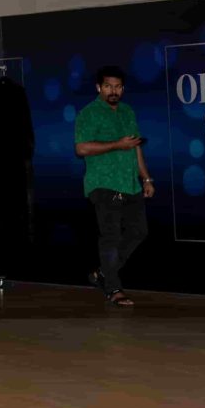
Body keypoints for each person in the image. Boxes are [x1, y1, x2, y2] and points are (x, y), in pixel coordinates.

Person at [75, 64, 154, 308]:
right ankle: (114, 288)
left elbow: (135, 146)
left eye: (117, 87)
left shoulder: (128, 111)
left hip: (130, 183)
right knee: (110, 236)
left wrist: (146, 179)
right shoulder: (88, 114)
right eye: (108, 86)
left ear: (123, 88)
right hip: (104, 183)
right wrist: (116, 145)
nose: (113, 90)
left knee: (139, 231)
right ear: (99, 87)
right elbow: (81, 148)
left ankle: (103, 274)